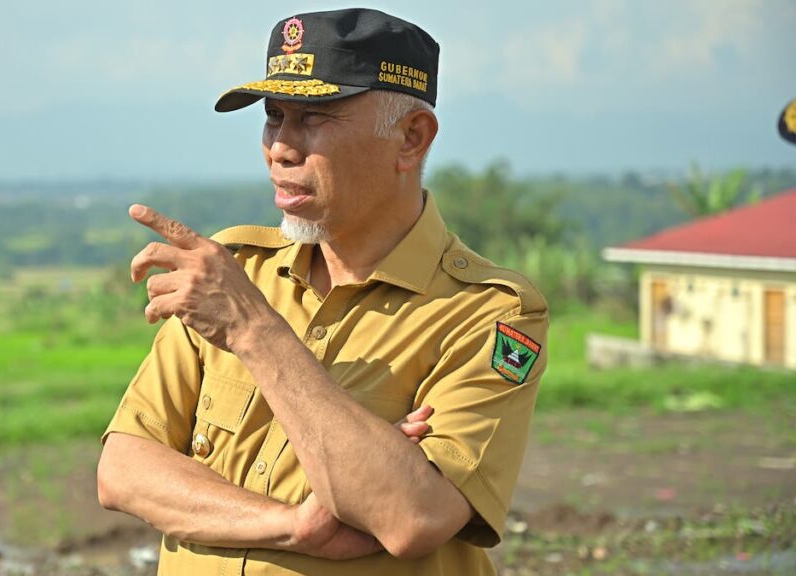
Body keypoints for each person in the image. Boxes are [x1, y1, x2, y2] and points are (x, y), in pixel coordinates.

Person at [97, 8, 548, 575]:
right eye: (274, 116)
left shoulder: (489, 313)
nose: (281, 148)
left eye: (315, 118)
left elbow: (413, 516)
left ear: (411, 138)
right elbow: (123, 470)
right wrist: (292, 526)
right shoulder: (236, 272)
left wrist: (252, 330)